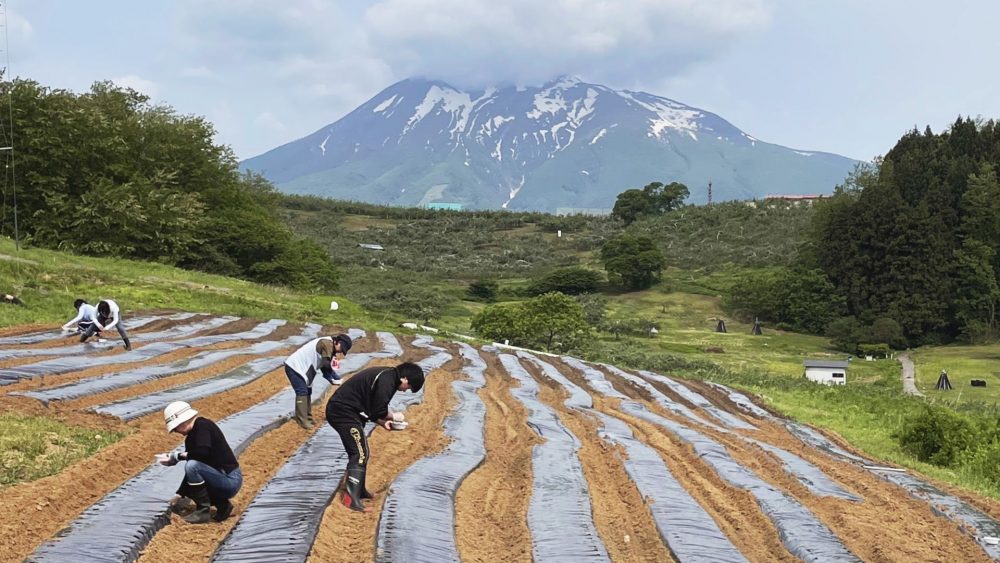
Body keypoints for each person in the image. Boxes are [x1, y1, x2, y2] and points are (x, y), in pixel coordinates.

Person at [325, 362, 425, 512]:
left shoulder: (388, 375)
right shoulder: (388, 380)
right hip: (343, 412)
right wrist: (394, 416)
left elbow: (372, 409)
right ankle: (350, 498)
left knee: (362, 452)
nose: (405, 391)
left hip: (350, 411)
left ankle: (359, 490)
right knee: (359, 453)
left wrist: (382, 422)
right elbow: (379, 409)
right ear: (405, 379)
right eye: (408, 387)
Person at [157, 401, 243, 524]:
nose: (176, 431)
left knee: (192, 466)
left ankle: (203, 512)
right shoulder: (191, 437)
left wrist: (177, 457)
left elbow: (202, 453)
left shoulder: (203, 426)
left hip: (230, 479)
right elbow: (193, 468)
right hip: (219, 478)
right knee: (193, 479)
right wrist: (179, 494)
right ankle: (223, 506)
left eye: (175, 428)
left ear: (183, 421)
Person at [283, 333, 353, 429]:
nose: (340, 351)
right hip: (295, 367)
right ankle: (302, 421)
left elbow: (325, 369)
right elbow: (326, 365)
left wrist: (335, 379)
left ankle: (308, 418)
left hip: (305, 369)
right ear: (337, 341)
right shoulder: (327, 344)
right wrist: (335, 378)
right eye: (341, 347)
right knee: (302, 391)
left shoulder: (330, 347)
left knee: (308, 391)